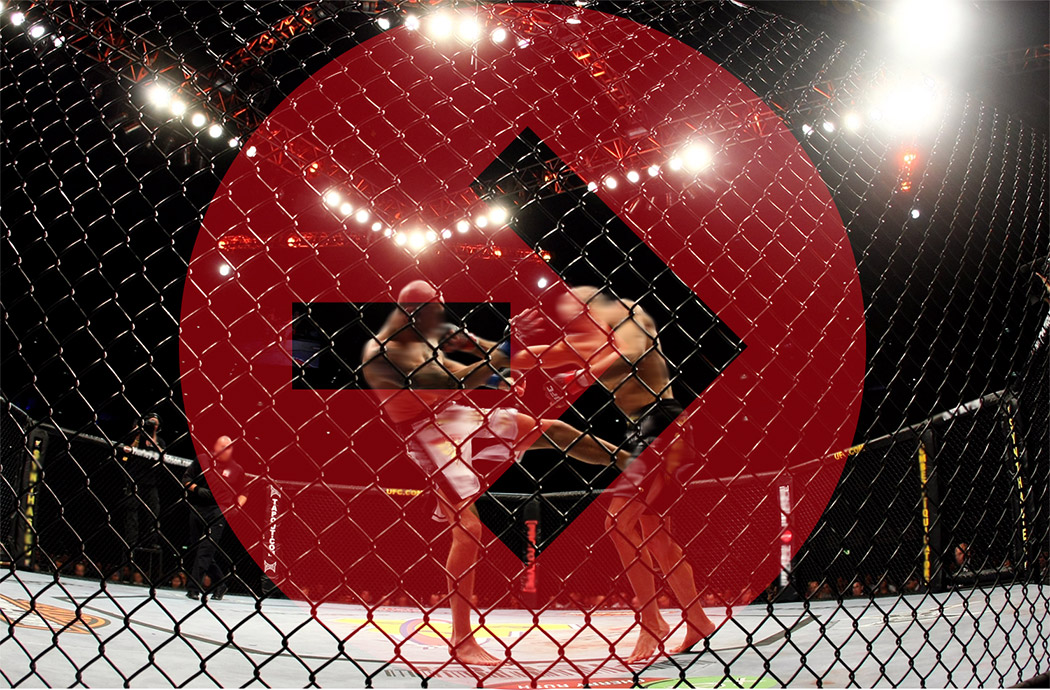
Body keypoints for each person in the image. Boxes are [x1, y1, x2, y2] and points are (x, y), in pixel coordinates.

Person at [361, 280, 630, 666]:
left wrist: (505, 354)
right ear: (412, 312)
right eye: (434, 310)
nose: (440, 317)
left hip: (454, 413)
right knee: (469, 530)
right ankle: (461, 639)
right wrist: (506, 351)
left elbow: (472, 363)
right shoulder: (382, 353)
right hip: (425, 434)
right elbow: (454, 380)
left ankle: (629, 459)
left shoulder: (428, 333)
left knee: (553, 430)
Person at [515, 287, 717, 663]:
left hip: (661, 423)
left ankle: (652, 621)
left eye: (578, 315)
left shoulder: (628, 313)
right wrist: (512, 343)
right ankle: (698, 620)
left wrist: (579, 378)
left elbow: (631, 352)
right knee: (656, 536)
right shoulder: (588, 342)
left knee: (619, 522)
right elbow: (535, 357)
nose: (575, 325)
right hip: (646, 432)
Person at [182, 435, 247, 601]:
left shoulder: (236, 469)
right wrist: (197, 489)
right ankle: (221, 584)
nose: (226, 451)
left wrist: (236, 507)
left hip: (219, 510)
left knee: (205, 550)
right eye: (223, 447)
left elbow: (244, 492)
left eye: (229, 448)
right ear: (215, 447)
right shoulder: (202, 460)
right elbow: (186, 478)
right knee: (198, 549)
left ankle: (193, 588)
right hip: (198, 507)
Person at [120, 412, 166, 551]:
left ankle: (151, 541)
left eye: (154, 423)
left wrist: (153, 437)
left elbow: (163, 455)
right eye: (150, 422)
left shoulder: (160, 441)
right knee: (132, 512)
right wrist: (139, 433)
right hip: (135, 480)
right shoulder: (137, 436)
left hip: (151, 482)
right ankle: (131, 541)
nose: (152, 425)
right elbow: (128, 452)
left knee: (153, 513)